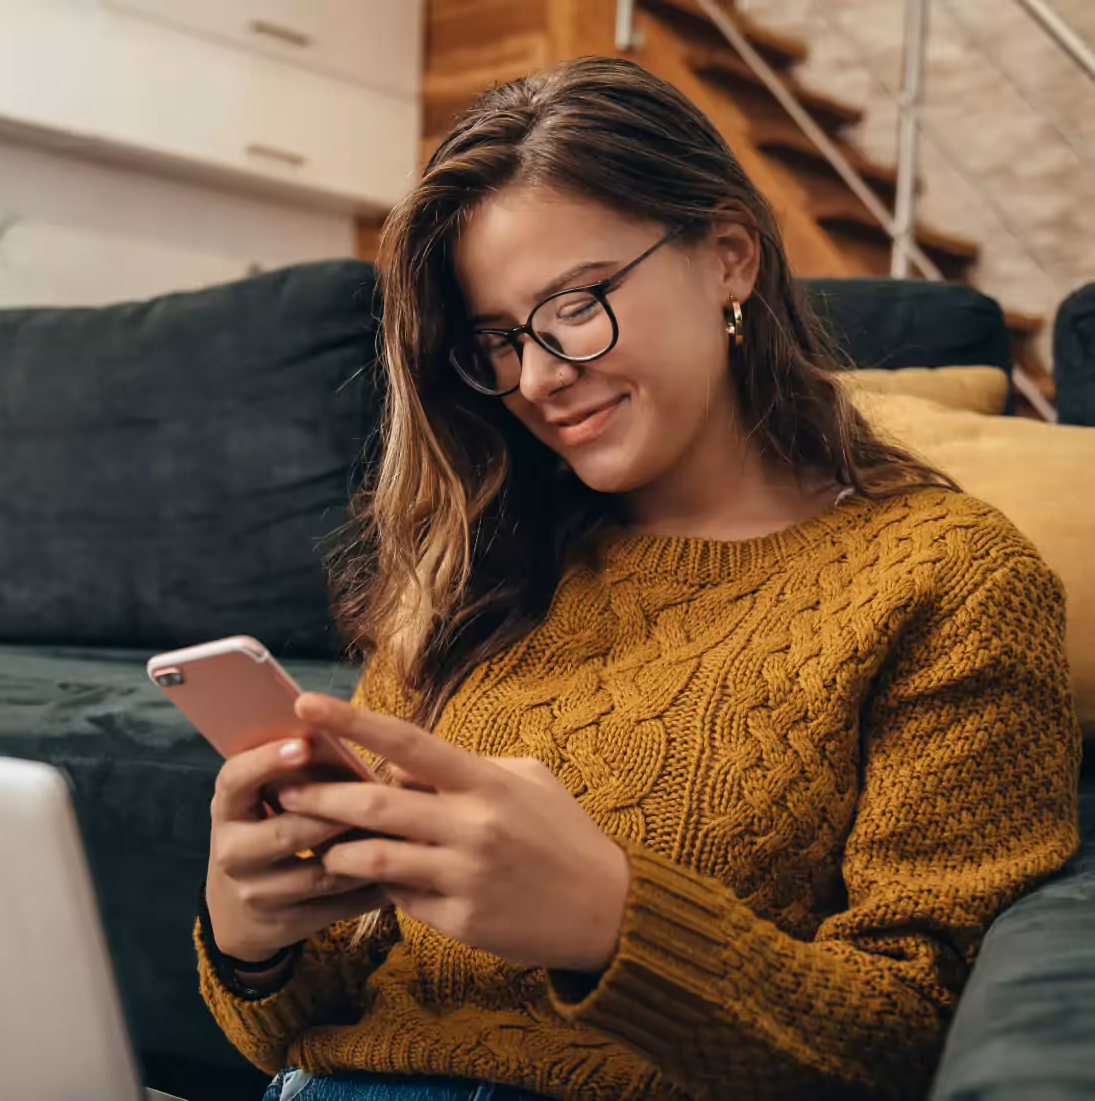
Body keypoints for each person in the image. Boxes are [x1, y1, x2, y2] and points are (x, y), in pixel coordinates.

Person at [194, 56, 1082, 1101]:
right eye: (497, 340)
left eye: (574, 304)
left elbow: (922, 1035)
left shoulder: (952, 578)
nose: (537, 376)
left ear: (729, 257)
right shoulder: (481, 564)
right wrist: (252, 941)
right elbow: (312, 1024)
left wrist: (610, 921)